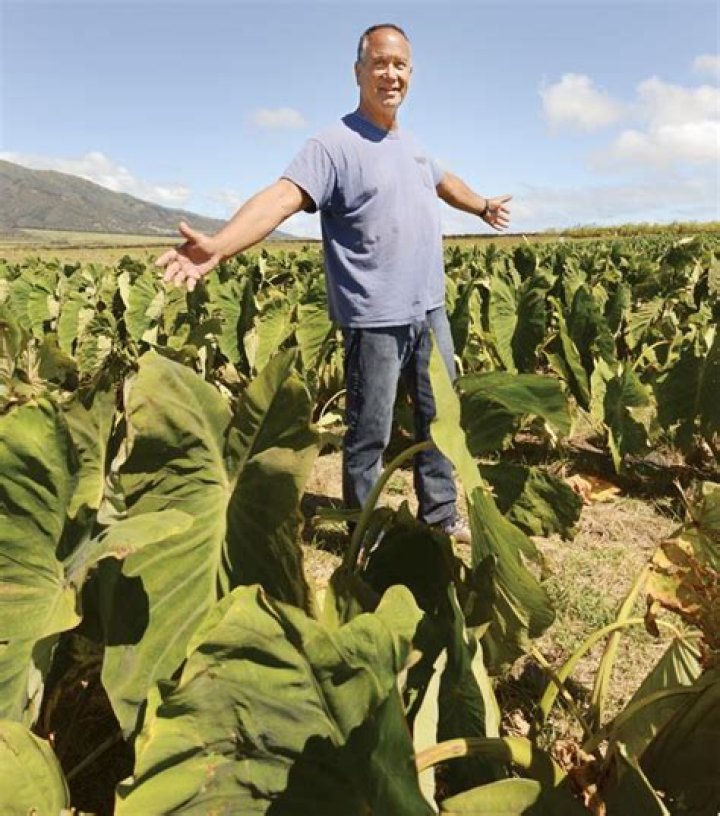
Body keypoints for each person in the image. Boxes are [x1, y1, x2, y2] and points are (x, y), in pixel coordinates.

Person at [157, 23, 511, 541]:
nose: (391, 74)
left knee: (441, 420)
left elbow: (443, 181)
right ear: (359, 71)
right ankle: (362, 532)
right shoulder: (332, 145)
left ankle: (439, 515)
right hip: (375, 318)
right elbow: (281, 198)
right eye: (380, 63)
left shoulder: (411, 145)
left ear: (411, 73)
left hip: (429, 310)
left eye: (400, 65)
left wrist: (480, 205)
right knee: (370, 433)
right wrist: (221, 245)